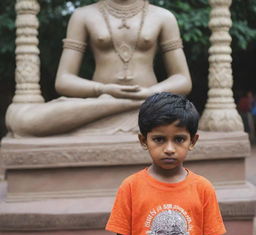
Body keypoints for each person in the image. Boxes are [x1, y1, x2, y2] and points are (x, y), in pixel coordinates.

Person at [6, 0, 191, 137]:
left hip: (150, 104)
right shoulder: (83, 15)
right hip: (100, 103)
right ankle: (122, 106)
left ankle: (133, 106)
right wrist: (104, 89)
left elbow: (183, 79)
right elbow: (63, 80)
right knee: (25, 122)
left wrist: (150, 92)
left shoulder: (163, 17)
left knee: (174, 116)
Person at [106, 92, 226, 235]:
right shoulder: (130, 187)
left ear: (192, 141)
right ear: (143, 141)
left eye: (179, 139)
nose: (169, 149)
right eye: (159, 139)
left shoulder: (203, 189)